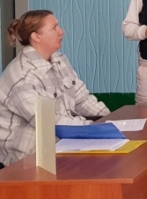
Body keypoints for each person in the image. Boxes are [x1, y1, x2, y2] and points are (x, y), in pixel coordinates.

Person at [0, 10, 110, 167]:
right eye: (54, 28)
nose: (61, 31)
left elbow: (82, 98)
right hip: (28, 161)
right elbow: (49, 121)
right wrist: (95, 129)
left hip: (61, 146)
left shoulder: (59, 60)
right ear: (35, 37)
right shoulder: (22, 76)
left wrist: (109, 120)